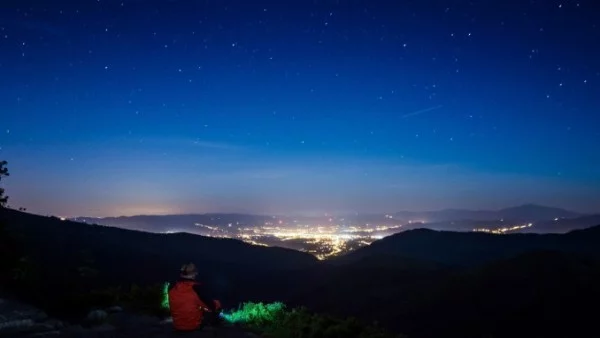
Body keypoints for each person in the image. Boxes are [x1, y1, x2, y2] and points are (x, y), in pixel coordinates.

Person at [168, 263, 222, 332]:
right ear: (194, 274)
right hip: (192, 326)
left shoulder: (172, 286)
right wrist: (217, 303)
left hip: (177, 325)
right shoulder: (196, 289)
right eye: (195, 272)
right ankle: (216, 328)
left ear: (181, 274)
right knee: (216, 305)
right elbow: (212, 306)